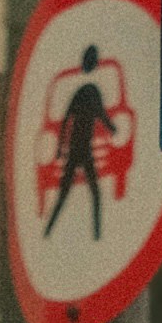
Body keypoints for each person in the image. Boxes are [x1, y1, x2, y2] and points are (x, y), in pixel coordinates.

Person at [43, 45, 119, 241]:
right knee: (76, 193)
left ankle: (96, 237)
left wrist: (61, 148)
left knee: (82, 193)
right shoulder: (89, 91)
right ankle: (51, 233)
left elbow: (96, 115)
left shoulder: (88, 91)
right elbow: (72, 119)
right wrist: (112, 128)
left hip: (80, 149)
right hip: (80, 149)